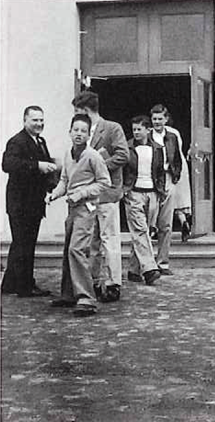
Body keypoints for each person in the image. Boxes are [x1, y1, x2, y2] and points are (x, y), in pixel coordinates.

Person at [48, 114, 111, 316]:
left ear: (88, 134)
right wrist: (54, 194)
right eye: (76, 130)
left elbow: (104, 182)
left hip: (87, 209)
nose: (79, 134)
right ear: (70, 132)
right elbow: (64, 180)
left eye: (83, 131)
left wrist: (81, 193)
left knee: (77, 249)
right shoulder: (68, 154)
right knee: (68, 248)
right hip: (72, 209)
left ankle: (86, 298)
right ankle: (68, 294)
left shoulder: (93, 156)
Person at [72, 91, 129, 303]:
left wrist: (98, 166)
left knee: (110, 239)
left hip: (106, 192)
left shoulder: (112, 128)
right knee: (92, 241)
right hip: (88, 196)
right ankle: (93, 281)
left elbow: (123, 155)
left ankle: (114, 283)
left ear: (85, 110)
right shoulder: (82, 132)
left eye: (78, 111)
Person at [1, 106, 57, 297]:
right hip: (20, 203)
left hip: (34, 202)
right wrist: (37, 165)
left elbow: (44, 166)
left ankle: (9, 285)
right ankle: (25, 287)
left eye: (41, 120)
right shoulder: (17, 141)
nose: (39, 124)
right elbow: (8, 165)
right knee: (23, 244)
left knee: (22, 244)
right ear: (25, 120)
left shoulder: (40, 141)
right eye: (35, 120)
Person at [122, 115, 163, 286]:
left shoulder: (157, 148)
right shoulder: (128, 148)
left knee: (145, 231)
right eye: (134, 129)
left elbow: (160, 170)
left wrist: (160, 190)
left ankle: (133, 270)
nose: (136, 132)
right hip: (134, 192)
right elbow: (122, 169)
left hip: (152, 192)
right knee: (140, 230)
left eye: (140, 129)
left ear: (148, 130)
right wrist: (124, 189)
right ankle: (149, 268)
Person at [149, 104, 182, 275]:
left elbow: (177, 158)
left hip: (168, 179)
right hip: (151, 181)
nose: (157, 122)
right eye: (154, 119)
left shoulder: (172, 137)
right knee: (147, 223)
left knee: (166, 224)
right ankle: (146, 264)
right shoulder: (147, 137)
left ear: (166, 119)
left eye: (160, 119)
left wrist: (175, 175)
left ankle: (163, 262)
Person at [166, 123, 192, 243]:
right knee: (179, 200)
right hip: (180, 165)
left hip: (170, 166)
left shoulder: (166, 133)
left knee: (166, 199)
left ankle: (157, 229)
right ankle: (183, 222)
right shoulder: (175, 131)